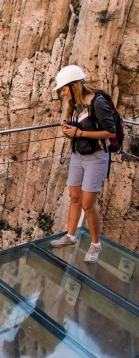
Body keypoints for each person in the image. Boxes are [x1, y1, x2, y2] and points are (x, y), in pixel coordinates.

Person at [51, 65, 117, 263]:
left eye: (63, 89)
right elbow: (79, 125)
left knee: (88, 204)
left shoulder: (98, 102)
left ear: (75, 85)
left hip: (96, 157)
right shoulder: (76, 104)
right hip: (79, 155)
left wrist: (80, 133)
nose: (62, 93)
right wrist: (68, 128)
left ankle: (96, 245)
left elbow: (110, 132)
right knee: (74, 197)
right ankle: (70, 236)